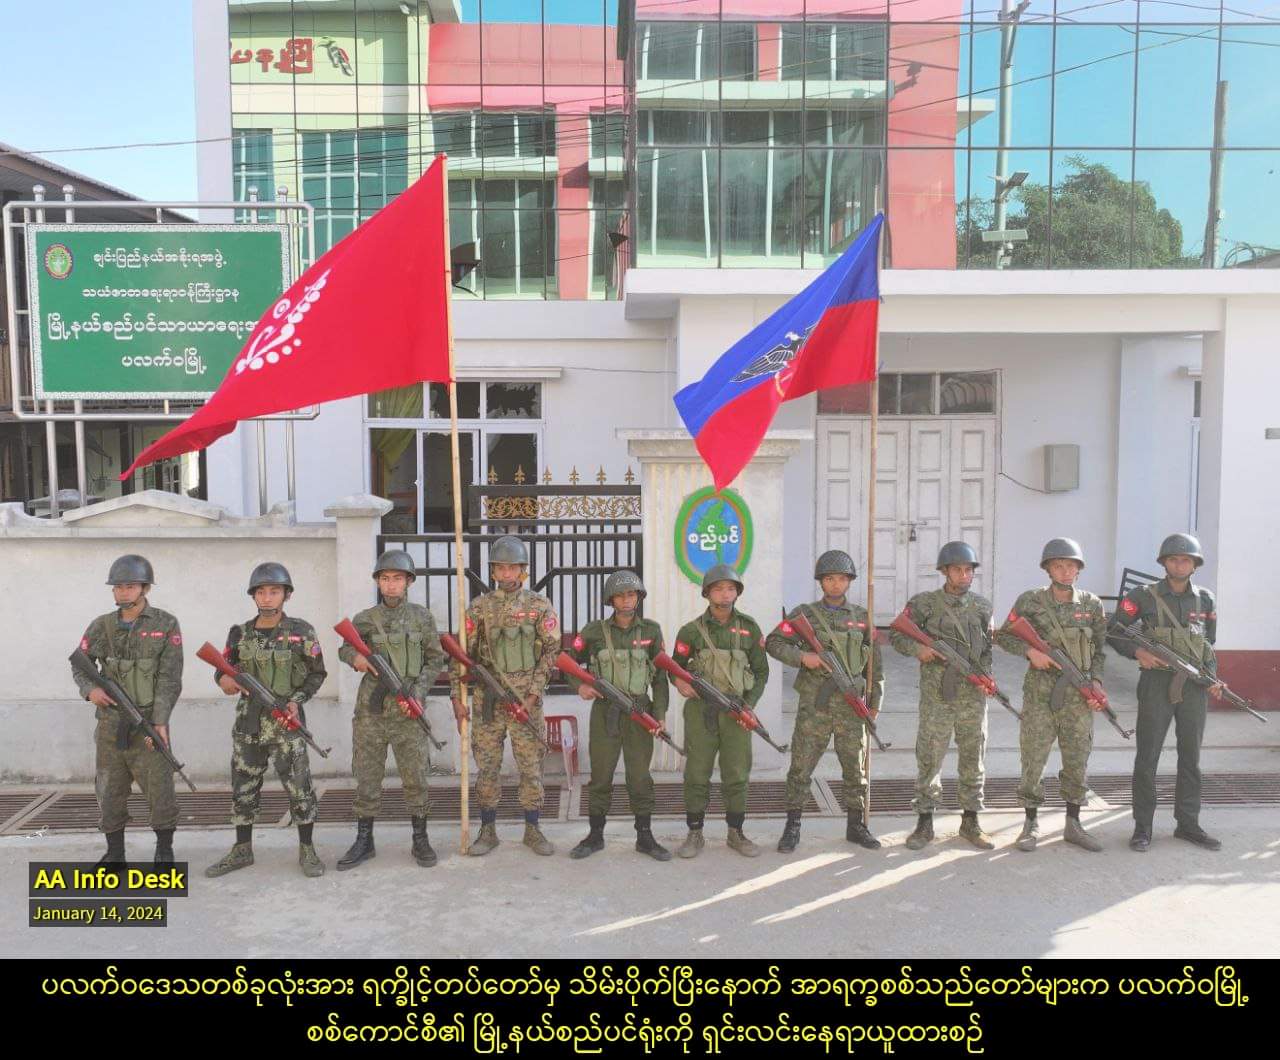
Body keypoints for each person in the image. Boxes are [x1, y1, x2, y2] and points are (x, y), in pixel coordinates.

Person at [205, 562, 327, 878]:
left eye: (274, 591)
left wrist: (297, 701)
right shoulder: (240, 633)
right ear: (254, 596)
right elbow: (222, 668)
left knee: (299, 787)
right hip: (248, 724)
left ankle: (307, 849)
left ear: (286, 595)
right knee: (243, 786)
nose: (267, 597)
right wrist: (224, 680)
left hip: (286, 723)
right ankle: (242, 849)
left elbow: (317, 674)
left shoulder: (301, 632)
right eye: (261, 592)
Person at [1108, 533, 1223, 852]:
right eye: (1173, 559)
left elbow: (1208, 645)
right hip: (1156, 684)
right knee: (1148, 756)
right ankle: (1142, 827)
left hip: (1193, 688)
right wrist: (1138, 653)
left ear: (1195, 565)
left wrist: (1213, 677)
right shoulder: (1143, 596)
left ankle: (1188, 824)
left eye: (1186, 560)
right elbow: (1114, 630)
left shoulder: (1205, 599)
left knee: (1191, 757)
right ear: (1164, 563)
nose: (1179, 564)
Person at [449, 535, 561, 856]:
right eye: (501, 568)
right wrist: (457, 699)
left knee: (530, 766)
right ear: (493, 571)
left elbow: (552, 651)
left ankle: (533, 829)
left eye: (513, 568)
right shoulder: (479, 608)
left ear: (523, 570)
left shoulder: (539, 606)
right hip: (488, 702)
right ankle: (487, 830)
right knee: (487, 767)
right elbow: (460, 656)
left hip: (526, 703)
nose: (507, 574)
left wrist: (534, 693)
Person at [767, 550, 884, 853]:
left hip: (850, 706)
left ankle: (856, 825)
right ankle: (793, 826)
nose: (835, 584)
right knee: (801, 766)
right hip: (815, 705)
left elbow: (875, 665)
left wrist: (874, 703)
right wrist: (802, 657)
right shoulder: (804, 614)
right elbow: (773, 642)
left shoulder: (862, 618)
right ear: (821, 581)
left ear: (849, 581)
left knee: (855, 768)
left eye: (841, 579)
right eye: (830, 579)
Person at [995, 538, 1108, 853]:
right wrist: (1030, 651)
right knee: (1033, 757)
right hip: (1040, 694)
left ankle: (1073, 823)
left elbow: (1100, 649)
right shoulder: (1030, 601)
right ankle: (1030, 823)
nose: (1065, 571)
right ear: (1048, 569)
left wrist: (1097, 681)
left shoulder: (1091, 604)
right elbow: (1004, 636)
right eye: (1059, 565)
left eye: (1071, 565)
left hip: (1078, 696)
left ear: (1079, 569)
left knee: (1077, 759)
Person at [337, 550, 447, 869]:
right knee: (367, 776)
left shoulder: (422, 618)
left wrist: (418, 692)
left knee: (415, 776)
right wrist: (356, 658)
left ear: (408, 582)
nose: (391, 584)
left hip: (407, 711)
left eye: (397, 578)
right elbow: (345, 647)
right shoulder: (365, 619)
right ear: (378, 582)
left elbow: (435, 660)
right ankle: (364, 840)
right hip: (371, 712)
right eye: (385, 579)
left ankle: (420, 838)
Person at [71, 554, 183, 866]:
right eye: (118, 587)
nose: (123, 592)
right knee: (109, 789)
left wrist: (160, 720)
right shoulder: (101, 626)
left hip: (147, 721)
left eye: (130, 586)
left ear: (145, 588)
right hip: (110, 724)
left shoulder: (165, 624)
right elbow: (79, 664)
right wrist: (90, 690)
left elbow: (170, 678)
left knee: (159, 786)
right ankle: (115, 854)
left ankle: (164, 851)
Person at [891, 541, 996, 851]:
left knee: (973, 756)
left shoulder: (983, 607)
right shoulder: (924, 604)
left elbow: (987, 650)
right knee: (930, 756)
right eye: (957, 570)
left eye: (968, 570)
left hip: (972, 697)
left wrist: (987, 677)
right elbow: (896, 634)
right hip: (937, 696)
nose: (964, 575)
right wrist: (918, 649)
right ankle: (924, 822)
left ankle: (971, 821)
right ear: (945, 572)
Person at [564, 570, 671, 861]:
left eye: (632, 594)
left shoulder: (651, 631)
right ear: (610, 600)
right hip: (605, 712)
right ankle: (595, 835)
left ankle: (645, 836)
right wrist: (580, 686)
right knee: (601, 776)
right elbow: (567, 661)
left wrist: (660, 713)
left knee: (640, 777)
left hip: (640, 712)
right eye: (620, 595)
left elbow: (660, 677)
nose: (626, 600)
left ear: (639, 597)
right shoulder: (593, 631)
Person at [671, 563, 770, 858]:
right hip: (701, 712)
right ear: (707, 593)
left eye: (730, 588)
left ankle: (736, 833)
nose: (725, 594)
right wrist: (679, 681)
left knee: (736, 773)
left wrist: (749, 706)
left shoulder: (749, 628)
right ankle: (695, 833)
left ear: (737, 593)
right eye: (718, 589)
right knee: (696, 773)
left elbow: (761, 672)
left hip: (736, 712)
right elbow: (674, 667)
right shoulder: (691, 631)